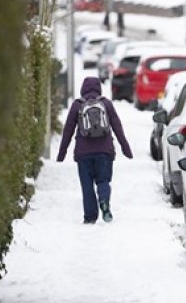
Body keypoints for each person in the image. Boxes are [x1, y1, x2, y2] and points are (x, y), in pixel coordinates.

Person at [57, 77, 133, 224]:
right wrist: (126, 149)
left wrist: (62, 154)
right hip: (105, 152)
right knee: (103, 181)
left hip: (83, 153)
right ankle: (104, 201)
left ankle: (90, 217)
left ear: (83, 88)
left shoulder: (77, 105)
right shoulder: (106, 104)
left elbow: (68, 131)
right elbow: (118, 127)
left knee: (87, 186)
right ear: (99, 88)